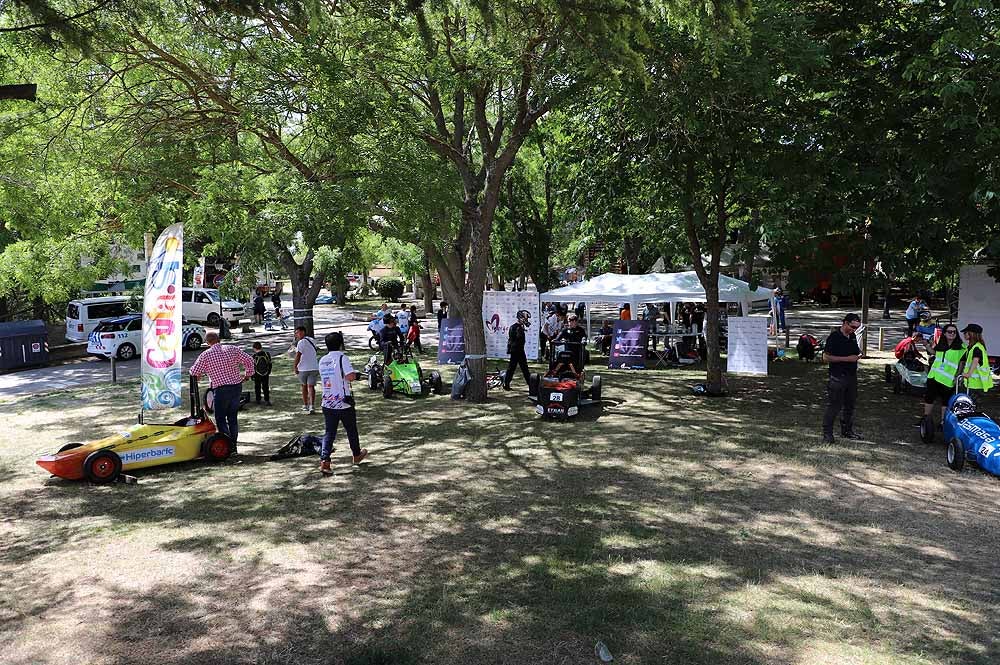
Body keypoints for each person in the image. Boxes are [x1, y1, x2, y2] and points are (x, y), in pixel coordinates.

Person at [189, 331, 254, 452]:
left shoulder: (206, 355)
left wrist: (199, 374)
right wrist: (247, 375)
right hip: (236, 386)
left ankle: (226, 444)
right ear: (218, 339)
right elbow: (249, 360)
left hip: (221, 389)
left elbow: (193, 371)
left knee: (220, 418)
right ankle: (233, 444)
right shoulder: (232, 349)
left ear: (207, 342)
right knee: (232, 417)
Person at [317, 331, 368, 475]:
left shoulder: (322, 360)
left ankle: (325, 462)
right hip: (343, 402)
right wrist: (358, 375)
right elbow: (350, 376)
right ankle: (356, 455)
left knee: (329, 433)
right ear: (340, 344)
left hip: (327, 402)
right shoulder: (342, 358)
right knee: (351, 430)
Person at [822, 313, 863, 443]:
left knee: (850, 405)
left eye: (856, 327)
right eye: (852, 326)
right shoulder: (834, 337)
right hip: (837, 376)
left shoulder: (852, 336)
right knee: (834, 405)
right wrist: (847, 359)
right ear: (845, 323)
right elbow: (825, 357)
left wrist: (858, 355)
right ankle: (827, 434)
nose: (854, 329)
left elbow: (855, 352)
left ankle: (847, 431)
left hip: (851, 376)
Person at [923, 323, 965, 425]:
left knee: (945, 402)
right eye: (949, 332)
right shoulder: (941, 344)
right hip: (934, 376)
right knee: (929, 398)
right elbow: (935, 354)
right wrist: (927, 345)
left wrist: (957, 376)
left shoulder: (961, 348)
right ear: (945, 333)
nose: (952, 334)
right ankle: (925, 420)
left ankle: (943, 423)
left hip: (948, 379)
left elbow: (961, 363)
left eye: (954, 332)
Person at [960, 323, 993, 397]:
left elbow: (975, 361)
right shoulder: (971, 347)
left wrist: (968, 374)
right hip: (973, 383)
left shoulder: (977, 347)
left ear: (971, 334)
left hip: (976, 384)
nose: (964, 334)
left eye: (965, 333)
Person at [293, 326, 320, 414]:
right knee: (311, 386)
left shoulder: (301, 342)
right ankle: (311, 406)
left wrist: (295, 366)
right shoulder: (312, 340)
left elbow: (298, 355)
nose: (297, 334)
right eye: (296, 333)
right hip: (314, 367)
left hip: (303, 368)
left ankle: (306, 405)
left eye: (298, 332)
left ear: (303, 332)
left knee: (304, 386)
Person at [503, 309, 532, 390]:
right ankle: (506, 383)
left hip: (520, 350)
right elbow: (513, 339)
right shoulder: (514, 327)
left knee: (524, 368)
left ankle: (530, 385)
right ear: (520, 318)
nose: (526, 320)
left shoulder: (520, 327)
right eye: (524, 318)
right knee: (512, 368)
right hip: (516, 351)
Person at [251, 341, 272, 406]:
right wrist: (268, 372)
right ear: (261, 347)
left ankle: (258, 399)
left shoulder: (254, 356)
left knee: (257, 386)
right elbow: (270, 364)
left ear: (254, 348)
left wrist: (252, 375)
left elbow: (253, 367)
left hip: (257, 374)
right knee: (265, 387)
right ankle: (267, 400)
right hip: (265, 374)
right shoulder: (267, 354)